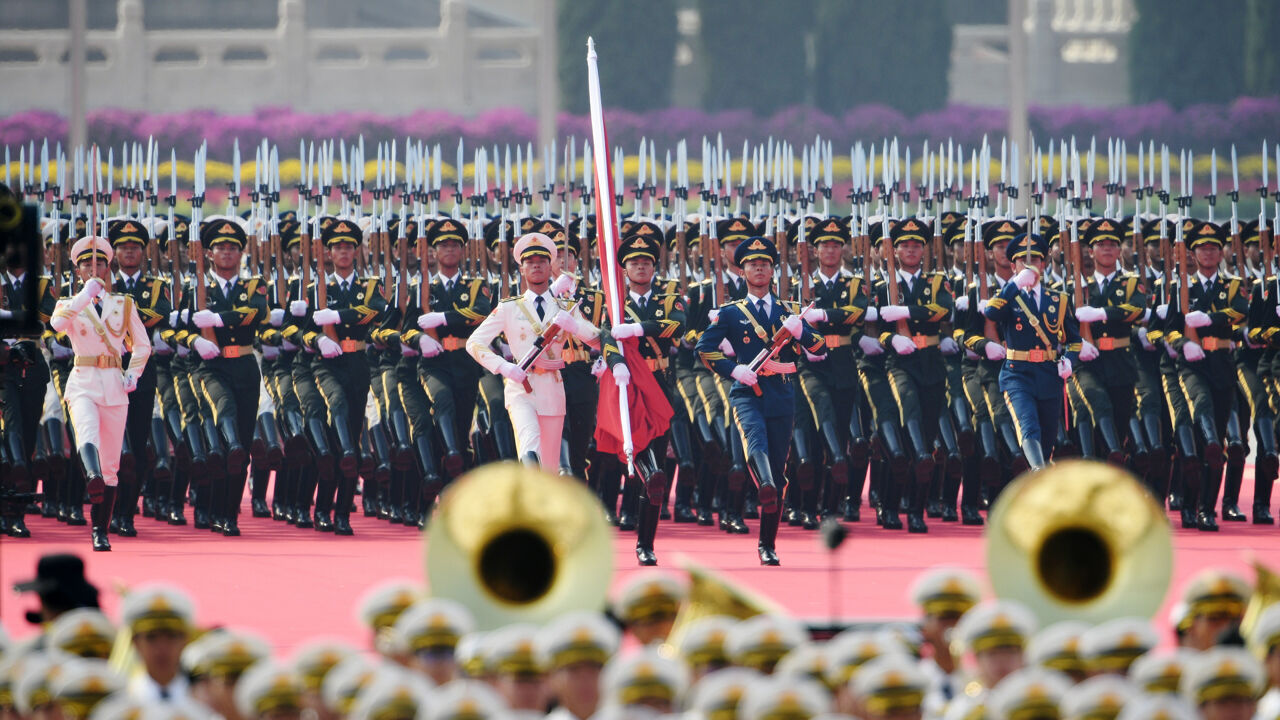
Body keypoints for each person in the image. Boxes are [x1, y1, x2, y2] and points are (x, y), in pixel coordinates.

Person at [696, 235, 827, 565]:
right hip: (747, 393)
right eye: (752, 265)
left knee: (781, 468)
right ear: (742, 272)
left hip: (781, 392)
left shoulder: (788, 311)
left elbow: (820, 350)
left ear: (773, 271)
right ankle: (764, 484)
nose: (759, 269)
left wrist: (801, 332)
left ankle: (767, 542)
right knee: (755, 443)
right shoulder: (730, 313)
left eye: (765, 264)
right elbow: (704, 348)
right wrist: (734, 369)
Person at [465, 232, 602, 470]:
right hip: (521, 387)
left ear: (551, 267)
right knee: (529, 451)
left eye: (542, 261)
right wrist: (504, 367)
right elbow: (474, 343)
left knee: (548, 466)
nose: (536, 265)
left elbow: (597, 341)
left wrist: (575, 326)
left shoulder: (566, 306)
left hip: (553, 388)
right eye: (530, 262)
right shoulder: (509, 307)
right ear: (522, 269)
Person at [49, 235, 151, 551]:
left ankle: (100, 530)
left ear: (108, 268)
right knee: (86, 435)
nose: (94, 268)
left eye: (100, 264)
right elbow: (56, 324)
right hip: (82, 381)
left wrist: (133, 373)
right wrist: (84, 296)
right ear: (78, 270)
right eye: (87, 265)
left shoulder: (124, 303)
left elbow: (143, 344)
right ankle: (90, 478)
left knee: (111, 465)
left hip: (114, 383)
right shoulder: (69, 303)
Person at [181, 218, 266, 536]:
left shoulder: (252, 286)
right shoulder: (196, 288)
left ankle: (227, 513)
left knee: (240, 448)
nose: (227, 253)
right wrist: (195, 340)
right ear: (210, 253)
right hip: (210, 369)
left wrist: (218, 318)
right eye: (220, 248)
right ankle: (205, 506)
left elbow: (257, 312)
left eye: (233, 248)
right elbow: (178, 329)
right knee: (221, 431)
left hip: (244, 366)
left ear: (241, 254)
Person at [982, 232, 1081, 469]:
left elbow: (1074, 341)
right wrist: (1015, 284)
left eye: (1035, 260)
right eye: (1023, 262)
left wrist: (1069, 360)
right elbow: (991, 313)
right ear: (1014, 265)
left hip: (1048, 375)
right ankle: (1038, 471)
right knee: (1028, 426)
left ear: (1044, 264)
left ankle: (1037, 475)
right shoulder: (1009, 297)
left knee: (1047, 441)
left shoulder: (1058, 300)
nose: (1030, 266)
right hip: (1018, 374)